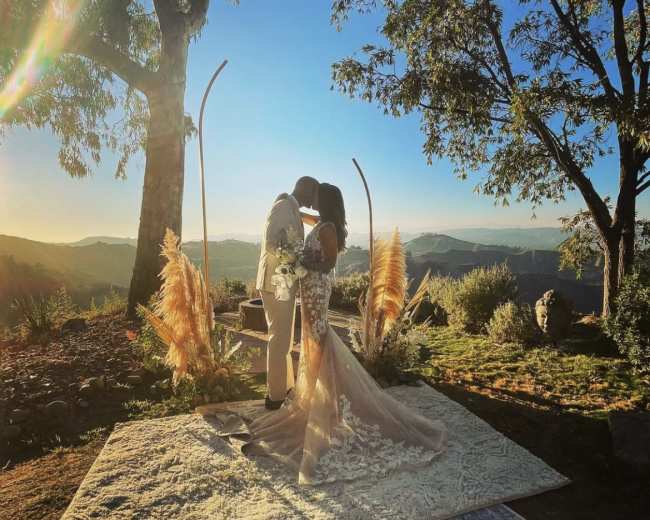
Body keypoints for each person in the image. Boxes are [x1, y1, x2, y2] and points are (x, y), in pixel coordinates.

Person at [245, 183, 447, 485]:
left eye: (316, 200)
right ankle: (315, 398)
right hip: (309, 289)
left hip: (315, 287)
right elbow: (311, 222)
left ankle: (328, 402)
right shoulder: (324, 223)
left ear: (324, 202)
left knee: (318, 338)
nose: (312, 203)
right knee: (313, 341)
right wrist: (292, 205)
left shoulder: (328, 228)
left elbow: (328, 264)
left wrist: (303, 262)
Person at [256, 176, 320, 410]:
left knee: (285, 338)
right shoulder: (283, 206)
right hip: (276, 282)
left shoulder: (292, 208)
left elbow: (307, 224)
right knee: (279, 339)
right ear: (305, 189)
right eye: (314, 194)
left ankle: (284, 387)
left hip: (284, 281)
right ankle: (274, 397)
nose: (314, 200)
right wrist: (301, 258)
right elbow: (273, 243)